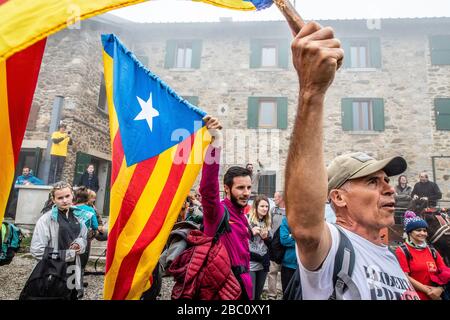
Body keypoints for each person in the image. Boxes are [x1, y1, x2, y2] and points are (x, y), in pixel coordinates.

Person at [284, 21, 420, 300]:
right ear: (338, 198)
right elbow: (305, 227)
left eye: (386, 180)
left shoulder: (391, 258)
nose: (389, 188)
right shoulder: (333, 246)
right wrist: (312, 92)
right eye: (372, 181)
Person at [199, 115, 252, 300]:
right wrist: (216, 142)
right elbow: (207, 188)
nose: (246, 193)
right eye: (240, 188)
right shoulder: (218, 212)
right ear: (227, 188)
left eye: (248, 187)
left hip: (244, 288)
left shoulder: (243, 215)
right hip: (222, 292)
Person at [30, 181, 87, 299]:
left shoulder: (79, 216)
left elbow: (83, 237)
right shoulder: (46, 220)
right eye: (60, 198)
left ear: (72, 195)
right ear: (53, 199)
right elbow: (37, 250)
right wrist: (66, 254)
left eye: (67, 196)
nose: (65, 200)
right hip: (51, 272)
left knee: (71, 296)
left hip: (72, 269)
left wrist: (79, 244)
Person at [395, 211, 449, 300]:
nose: (423, 233)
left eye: (424, 230)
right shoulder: (402, 251)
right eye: (418, 230)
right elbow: (404, 277)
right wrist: (428, 291)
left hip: (434, 296)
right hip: (414, 297)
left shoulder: (432, 251)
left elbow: (444, 271)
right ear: (409, 232)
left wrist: (440, 289)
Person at [248, 195, 272, 300]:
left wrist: (266, 238)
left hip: (263, 263)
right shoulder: (247, 219)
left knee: (258, 295)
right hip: (250, 262)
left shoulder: (268, 221)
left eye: (267, 206)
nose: (265, 209)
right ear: (256, 207)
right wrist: (251, 233)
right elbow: (239, 239)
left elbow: (271, 243)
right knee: (250, 296)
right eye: (262, 206)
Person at [267, 191, 285, 300]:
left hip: (285, 247)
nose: (274, 200)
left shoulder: (291, 212)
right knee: (272, 272)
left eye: (276, 198)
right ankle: (271, 296)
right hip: (274, 247)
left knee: (285, 273)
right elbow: (268, 224)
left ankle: (285, 293)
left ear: (282, 198)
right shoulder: (273, 211)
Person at [279, 215, 297, 297]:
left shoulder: (310, 220)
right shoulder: (287, 220)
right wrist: (303, 240)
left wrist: (293, 236)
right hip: (289, 264)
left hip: (306, 266)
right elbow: (284, 240)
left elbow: (312, 240)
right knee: (287, 294)